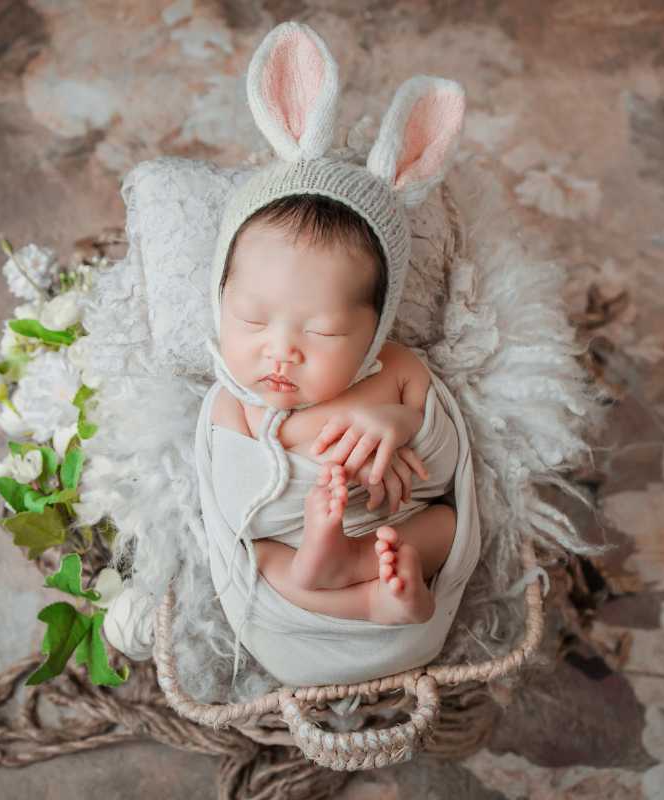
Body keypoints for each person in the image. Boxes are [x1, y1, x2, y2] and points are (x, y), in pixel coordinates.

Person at [193, 19, 480, 686]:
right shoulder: (232, 404)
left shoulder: (397, 372)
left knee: (440, 522)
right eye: (252, 318)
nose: (280, 352)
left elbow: (448, 460)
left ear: (375, 332)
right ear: (219, 299)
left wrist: (398, 425)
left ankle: (362, 575)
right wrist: (292, 490)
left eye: (321, 333)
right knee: (259, 558)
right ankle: (350, 585)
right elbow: (227, 510)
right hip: (295, 572)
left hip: (392, 535)